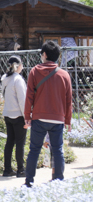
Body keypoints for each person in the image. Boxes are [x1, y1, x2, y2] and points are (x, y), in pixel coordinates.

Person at [23, 41, 72, 187]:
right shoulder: (64, 75)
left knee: (34, 150)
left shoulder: (34, 71)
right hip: (58, 118)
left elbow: (29, 96)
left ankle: (29, 182)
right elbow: (69, 100)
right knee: (57, 150)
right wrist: (68, 120)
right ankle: (58, 180)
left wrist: (27, 117)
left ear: (44, 55)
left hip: (39, 117)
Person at [0, 55, 27, 177]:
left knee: (9, 142)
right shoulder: (18, 80)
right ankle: (21, 169)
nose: (22, 66)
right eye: (21, 64)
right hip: (18, 115)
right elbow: (22, 100)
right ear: (17, 66)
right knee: (20, 143)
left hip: (7, 113)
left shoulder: (5, 79)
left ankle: (7, 169)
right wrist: (27, 117)